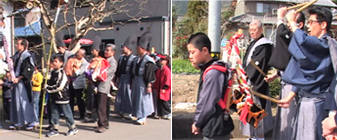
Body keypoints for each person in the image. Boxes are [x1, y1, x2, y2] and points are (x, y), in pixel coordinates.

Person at [279, 6, 334, 140]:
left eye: (311, 22)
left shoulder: (326, 45)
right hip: (304, 100)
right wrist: (290, 96)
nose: (308, 26)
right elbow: (304, 72)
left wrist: (292, 23)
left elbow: (303, 41)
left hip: (318, 102)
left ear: (323, 25)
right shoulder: (315, 46)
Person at [265, 7, 305, 140]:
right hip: (286, 82)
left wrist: (280, 18)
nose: (288, 25)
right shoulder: (294, 38)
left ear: (300, 25)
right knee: (283, 121)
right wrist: (276, 74)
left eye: (291, 22)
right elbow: (288, 62)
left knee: (289, 121)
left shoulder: (300, 39)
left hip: (294, 87)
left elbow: (282, 35)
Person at [187, 33, 234, 140]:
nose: (190, 56)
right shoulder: (215, 68)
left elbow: (207, 103)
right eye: (189, 53)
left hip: (214, 126)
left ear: (205, 50)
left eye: (193, 52)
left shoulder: (213, 73)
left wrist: (197, 123)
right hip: (217, 123)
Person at [241, 19, 273, 140]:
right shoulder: (254, 43)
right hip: (250, 82)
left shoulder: (264, 45)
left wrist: (246, 75)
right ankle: (253, 137)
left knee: (257, 113)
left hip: (257, 84)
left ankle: (258, 137)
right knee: (250, 112)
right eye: (250, 30)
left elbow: (257, 65)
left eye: (255, 30)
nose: (252, 32)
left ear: (261, 29)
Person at [45, 56, 78, 137]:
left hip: (62, 97)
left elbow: (59, 86)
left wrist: (48, 88)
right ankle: (54, 128)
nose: (54, 63)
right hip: (53, 97)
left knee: (67, 113)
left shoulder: (62, 73)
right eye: (53, 61)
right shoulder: (53, 72)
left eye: (56, 61)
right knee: (54, 113)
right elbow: (49, 81)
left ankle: (72, 127)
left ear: (61, 63)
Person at [9, 39, 36, 130]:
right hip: (16, 82)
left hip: (23, 83)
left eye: (18, 44)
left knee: (25, 102)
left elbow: (28, 70)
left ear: (23, 46)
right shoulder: (17, 55)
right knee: (17, 102)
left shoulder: (27, 56)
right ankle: (19, 121)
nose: (16, 45)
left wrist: (19, 78)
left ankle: (31, 121)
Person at [131, 31, 156, 125]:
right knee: (137, 98)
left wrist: (149, 84)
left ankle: (143, 116)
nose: (137, 50)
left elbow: (149, 73)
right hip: (137, 80)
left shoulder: (148, 60)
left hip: (143, 81)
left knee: (143, 99)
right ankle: (138, 114)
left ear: (143, 48)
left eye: (138, 48)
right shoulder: (137, 58)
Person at [95, 44, 117, 133]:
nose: (106, 52)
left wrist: (97, 73)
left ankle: (102, 124)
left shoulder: (112, 62)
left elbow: (106, 73)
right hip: (100, 85)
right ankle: (104, 122)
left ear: (113, 52)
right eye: (106, 50)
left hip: (105, 86)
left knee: (101, 106)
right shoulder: (104, 60)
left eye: (108, 50)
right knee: (102, 105)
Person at [115, 35, 137, 120]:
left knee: (128, 95)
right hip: (122, 77)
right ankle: (121, 111)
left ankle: (129, 112)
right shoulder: (121, 58)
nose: (122, 48)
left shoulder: (134, 59)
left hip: (129, 78)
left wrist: (132, 80)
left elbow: (133, 71)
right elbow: (118, 69)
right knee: (120, 95)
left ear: (129, 48)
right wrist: (116, 78)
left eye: (124, 47)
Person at [67, 49, 88, 120]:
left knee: (79, 100)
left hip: (78, 83)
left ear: (82, 55)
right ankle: (70, 115)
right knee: (70, 99)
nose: (76, 54)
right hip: (70, 82)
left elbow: (80, 72)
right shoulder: (72, 59)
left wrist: (73, 72)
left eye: (78, 53)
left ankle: (83, 115)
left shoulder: (84, 62)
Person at [153, 54, 171, 119]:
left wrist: (164, 87)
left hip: (163, 88)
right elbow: (156, 78)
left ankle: (168, 112)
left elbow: (168, 79)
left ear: (166, 61)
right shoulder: (160, 69)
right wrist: (155, 86)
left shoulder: (166, 70)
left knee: (164, 101)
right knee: (159, 101)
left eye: (163, 60)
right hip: (159, 87)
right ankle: (161, 113)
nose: (161, 61)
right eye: (161, 59)